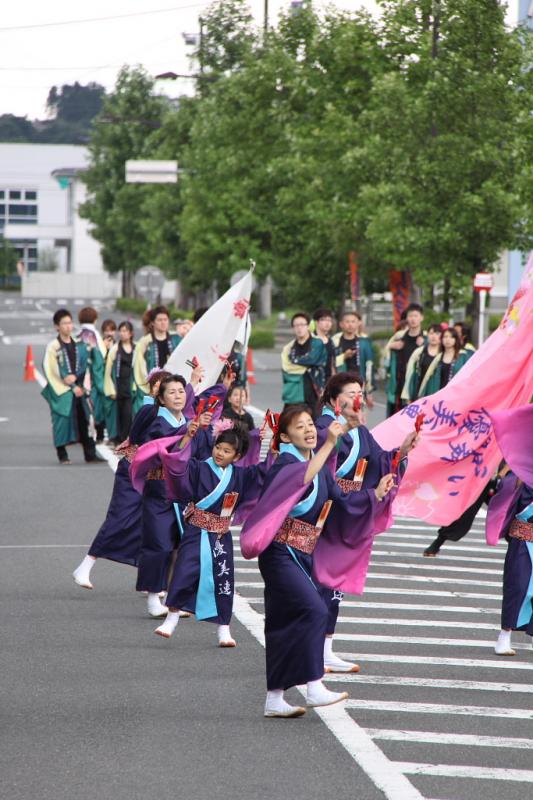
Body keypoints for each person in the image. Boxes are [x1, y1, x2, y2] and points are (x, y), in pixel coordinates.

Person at [240, 406, 395, 718]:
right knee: (315, 609)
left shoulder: (319, 464)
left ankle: (274, 698)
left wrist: (375, 494)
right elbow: (300, 480)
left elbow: (341, 499)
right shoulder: (285, 463)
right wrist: (327, 445)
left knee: (283, 624)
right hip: (280, 553)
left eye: (311, 424)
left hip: (303, 554)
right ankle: (314, 685)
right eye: (300, 427)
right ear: (285, 436)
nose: (309, 430)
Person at [315, 373, 418, 671]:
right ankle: (311, 646)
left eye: (361, 392)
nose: (359, 398)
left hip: (351, 508)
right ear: (335, 400)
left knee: (336, 582)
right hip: (327, 510)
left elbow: (379, 460)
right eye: (352, 393)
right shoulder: (324, 427)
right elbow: (319, 468)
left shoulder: (360, 430)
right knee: (320, 579)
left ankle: (325, 647)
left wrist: (403, 450)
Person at [153, 423, 267, 646]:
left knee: (223, 579)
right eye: (218, 447)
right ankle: (172, 617)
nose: (219, 453)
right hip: (196, 531)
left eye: (227, 451)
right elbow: (178, 468)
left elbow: (262, 473)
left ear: (237, 456)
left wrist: (272, 450)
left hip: (220, 535)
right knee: (184, 571)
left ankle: (224, 628)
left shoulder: (240, 475)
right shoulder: (198, 468)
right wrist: (186, 439)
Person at [72, 369, 172, 590]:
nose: (163, 389)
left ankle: (154, 581)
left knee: (149, 524)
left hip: (151, 473)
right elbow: (135, 437)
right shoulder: (149, 408)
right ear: (153, 388)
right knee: (120, 517)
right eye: (159, 384)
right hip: (133, 469)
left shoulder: (168, 411)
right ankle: (86, 565)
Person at [134, 374, 213, 618]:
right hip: (159, 491)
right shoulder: (158, 424)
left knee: (183, 546)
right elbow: (166, 454)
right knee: (159, 544)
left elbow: (201, 453)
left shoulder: (189, 421)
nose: (178, 396)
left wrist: (203, 430)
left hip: (183, 493)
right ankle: (152, 596)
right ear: (161, 398)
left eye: (181, 391)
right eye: (172, 392)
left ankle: (175, 596)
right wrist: (189, 433)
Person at [41, 309, 103, 465]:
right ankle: (62, 453)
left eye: (70, 322)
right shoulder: (53, 347)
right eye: (64, 323)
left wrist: (77, 381)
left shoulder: (79, 345)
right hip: (62, 390)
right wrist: (68, 382)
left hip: (80, 388)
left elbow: (85, 364)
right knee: (61, 421)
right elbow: (51, 369)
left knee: (84, 419)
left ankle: (90, 453)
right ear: (57, 326)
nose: (68, 326)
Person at [133, 306, 182, 405]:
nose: (163, 322)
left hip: (172, 388)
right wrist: (148, 387)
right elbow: (139, 367)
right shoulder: (144, 342)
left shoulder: (176, 339)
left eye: (165, 319)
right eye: (159, 320)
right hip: (152, 389)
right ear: (152, 323)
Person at [281, 312, 327, 414]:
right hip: (294, 392)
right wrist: (304, 363)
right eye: (296, 325)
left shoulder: (317, 343)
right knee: (290, 423)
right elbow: (286, 368)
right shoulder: (289, 348)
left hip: (313, 390)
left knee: (315, 424)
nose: (299, 328)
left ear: (308, 326)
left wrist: (295, 360)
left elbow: (312, 359)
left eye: (302, 324)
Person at [385, 303, 426, 417]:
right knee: (396, 420)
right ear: (407, 318)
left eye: (416, 316)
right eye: (410, 316)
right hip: (399, 385)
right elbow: (386, 362)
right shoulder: (399, 337)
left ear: (421, 318)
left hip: (416, 388)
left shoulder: (426, 339)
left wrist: (424, 344)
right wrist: (390, 347)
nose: (413, 319)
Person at [104, 321, 139, 443]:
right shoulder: (115, 349)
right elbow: (108, 371)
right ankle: (118, 440)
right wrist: (110, 390)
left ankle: (127, 439)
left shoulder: (136, 348)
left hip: (131, 387)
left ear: (131, 333)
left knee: (129, 415)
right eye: (121, 331)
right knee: (118, 415)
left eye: (125, 331)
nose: (122, 333)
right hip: (118, 386)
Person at [77, 307, 108, 444]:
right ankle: (97, 435)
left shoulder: (76, 335)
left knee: (81, 407)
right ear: (95, 319)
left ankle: (81, 435)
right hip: (92, 378)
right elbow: (100, 359)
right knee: (96, 407)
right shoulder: (94, 335)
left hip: (78, 378)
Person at [332, 311, 375, 405]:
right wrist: (344, 356)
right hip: (340, 386)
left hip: (358, 387)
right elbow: (330, 364)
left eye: (353, 321)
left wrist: (369, 391)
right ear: (341, 324)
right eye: (347, 322)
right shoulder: (335, 342)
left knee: (358, 417)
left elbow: (369, 366)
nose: (350, 324)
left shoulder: (364, 342)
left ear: (358, 323)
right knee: (340, 417)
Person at [417, 327, 472, 397]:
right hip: (439, 398)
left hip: (457, 397)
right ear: (441, 339)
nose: (448, 340)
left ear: (456, 340)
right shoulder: (438, 358)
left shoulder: (463, 356)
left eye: (451, 337)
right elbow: (428, 379)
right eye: (445, 337)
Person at [401, 323, 443, 403]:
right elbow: (410, 373)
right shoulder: (419, 352)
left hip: (438, 395)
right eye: (431, 333)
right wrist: (408, 394)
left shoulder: (444, 354)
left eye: (437, 334)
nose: (433, 336)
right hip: (419, 393)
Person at [312, 308, 336, 381]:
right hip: (314, 380)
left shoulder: (331, 341)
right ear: (316, 322)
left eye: (329, 320)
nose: (327, 323)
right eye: (324, 320)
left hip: (328, 380)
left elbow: (332, 362)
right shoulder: (310, 340)